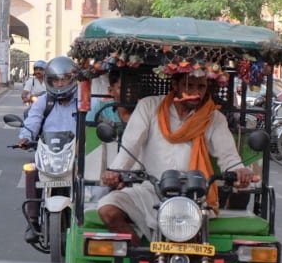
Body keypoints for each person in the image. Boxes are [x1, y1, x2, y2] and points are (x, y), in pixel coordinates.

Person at [97, 70, 254, 247]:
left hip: (195, 196)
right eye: (189, 86)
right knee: (108, 210)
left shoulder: (213, 117)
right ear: (174, 85)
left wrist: (239, 172)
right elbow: (130, 146)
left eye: (201, 87)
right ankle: (139, 256)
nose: (196, 92)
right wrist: (115, 171)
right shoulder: (150, 106)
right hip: (152, 190)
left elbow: (228, 156)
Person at [18, 56, 79, 242]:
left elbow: (95, 122)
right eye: (55, 80)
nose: (60, 84)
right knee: (30, 170)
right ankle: (33, 220)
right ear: (49, 82)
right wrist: (25, 137)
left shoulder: (84, 101)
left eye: (64, 79)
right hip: (49, 153)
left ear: (72, 79)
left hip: (76, 154)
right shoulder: (44, 101)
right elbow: (33, 120)